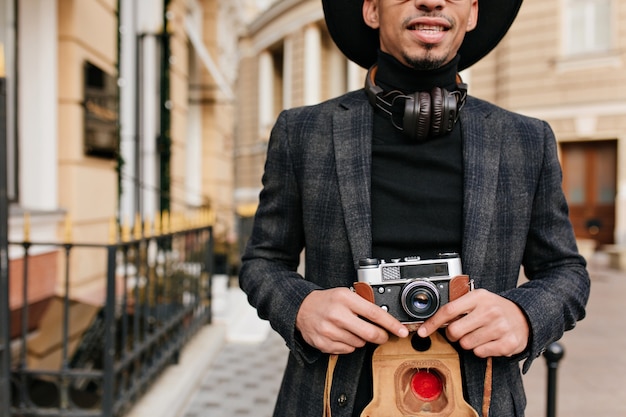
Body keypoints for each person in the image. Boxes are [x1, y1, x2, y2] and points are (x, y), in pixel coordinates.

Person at [239, 0, 590, 415]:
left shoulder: (527, 139)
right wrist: (300, 306)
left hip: (480, 402)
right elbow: (262, 260)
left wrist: (523, 316)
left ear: (473, 13)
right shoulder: (302, 133)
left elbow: (567, 272)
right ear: (371, 10)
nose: (432, 0)